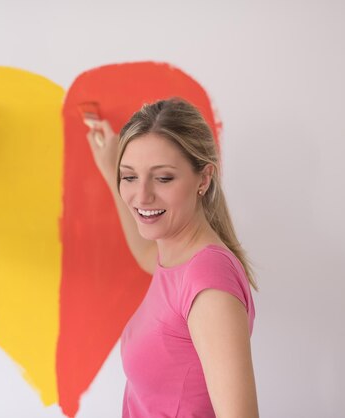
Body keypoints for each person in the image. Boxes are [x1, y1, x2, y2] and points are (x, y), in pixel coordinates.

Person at [86, 98, 258, 417]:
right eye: (130, 177)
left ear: (203, 180)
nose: (142, 196)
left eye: (163, 178)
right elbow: (146, 253)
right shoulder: (177, 256)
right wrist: (112, 169)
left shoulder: (209, 287)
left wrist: (122, 172)